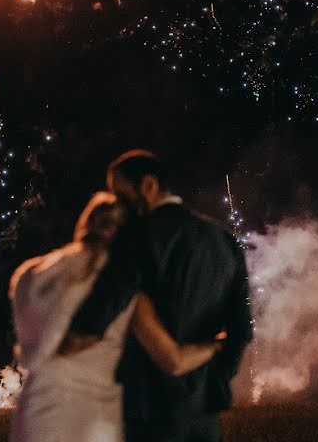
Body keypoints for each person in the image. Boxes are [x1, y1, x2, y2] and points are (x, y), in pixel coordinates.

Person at [65, 150, 253, 442]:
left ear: (148, 185)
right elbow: (242, 329)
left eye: (121, 194)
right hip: (203, 414)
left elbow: (95, 320)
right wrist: (212, 380)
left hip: (147, 411)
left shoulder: (137, 237)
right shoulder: (224, 241)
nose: (118, 204)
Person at [9, 191, 223, 442]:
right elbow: (172, 360)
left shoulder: (31, 273)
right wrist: (216, 345)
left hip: (36, 416)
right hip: (93, 421)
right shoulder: (120, 284)